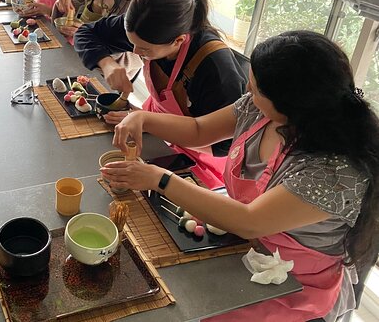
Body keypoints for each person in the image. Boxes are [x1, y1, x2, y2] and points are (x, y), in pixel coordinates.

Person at [102, 30, 378, 321]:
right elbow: (198, 129)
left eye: (257, 88)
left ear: (294, 105)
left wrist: (160, 179)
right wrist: (143, 118)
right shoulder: (259, 110)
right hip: (238, 244)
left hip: (290, 281)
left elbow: (249, 221)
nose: (248, 88)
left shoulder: (332, 173)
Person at [75, 0, 247, 188]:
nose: (136, 51)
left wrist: (151, 124)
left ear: (178, 40)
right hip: (152, 127)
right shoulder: (143, 27)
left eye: (145, 50)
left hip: (197, 155)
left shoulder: (216, 70)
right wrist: (108, 63)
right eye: (132, 43)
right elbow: (86, 33)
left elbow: (223, 144)